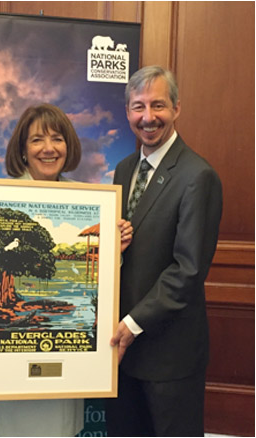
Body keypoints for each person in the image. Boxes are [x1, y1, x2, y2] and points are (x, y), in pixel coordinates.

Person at [0, 103, 133, 437]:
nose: (49, 148)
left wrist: (115, 251)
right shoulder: (1, 199)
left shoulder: (84, 199)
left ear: (68, 146)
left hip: (68, 363)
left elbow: (102, 280)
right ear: (22, 149)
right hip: (11, 365)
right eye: (37, 139)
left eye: (57, 138)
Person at [106, 66, 223, 436]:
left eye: (158, 105)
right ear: (127, 113)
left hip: (169, 354)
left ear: (176, 109)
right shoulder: (124, 169)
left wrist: (133, 323)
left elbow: (188, 269)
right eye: (138, 107)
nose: (148, 117)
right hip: (123, 351)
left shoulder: (197, 176)